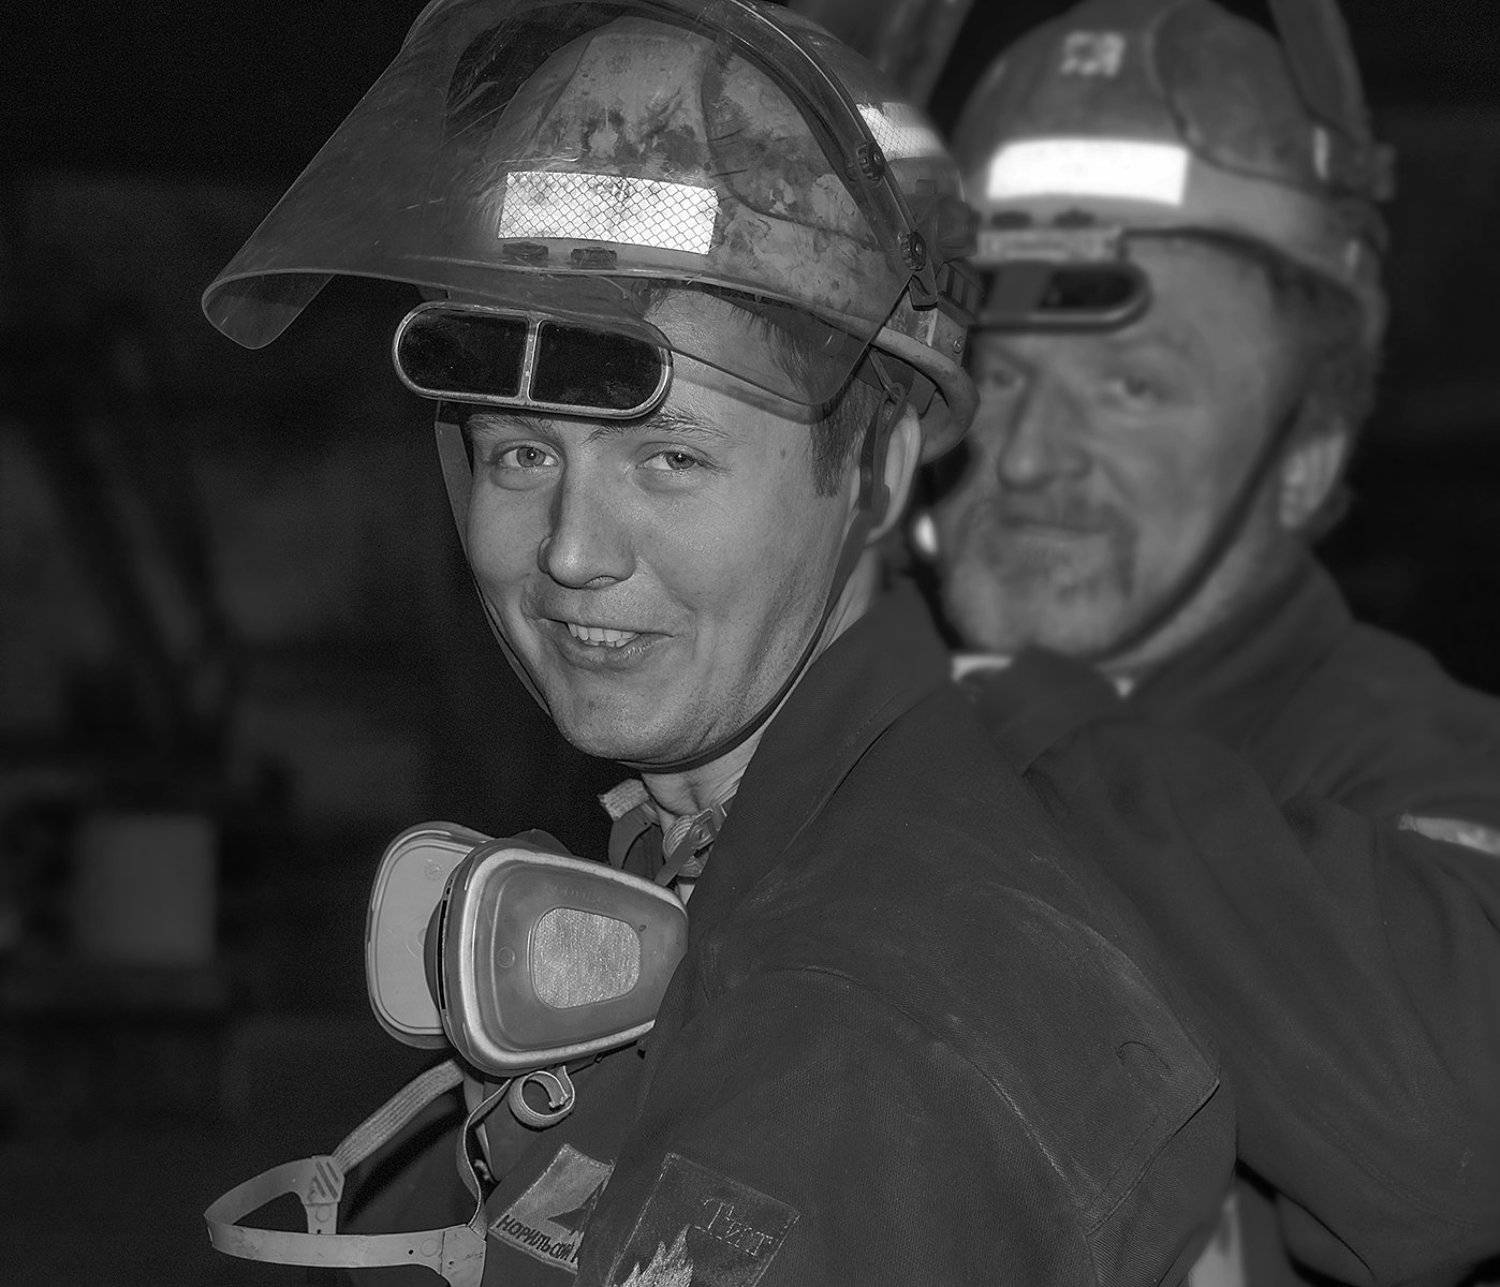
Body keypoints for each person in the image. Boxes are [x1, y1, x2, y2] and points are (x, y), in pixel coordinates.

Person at [199, 2, 1234, 1283]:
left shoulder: (875, 1025)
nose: (573, 549)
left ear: (877, 472)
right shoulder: (721, 859)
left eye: (670, 458)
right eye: (521, 453)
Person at [927, 0, 1500, 1283]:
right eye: (999, 374)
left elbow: (1449, 1147)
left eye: (1131, 387)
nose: (1025, 456)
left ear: (1306, 457)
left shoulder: (1428, 770)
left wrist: (1007, 712)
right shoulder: (841, 721)